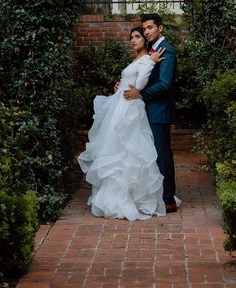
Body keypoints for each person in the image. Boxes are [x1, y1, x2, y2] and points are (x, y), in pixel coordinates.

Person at [77, 27, 167, 221]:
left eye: (137, 37)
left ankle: (131, 198)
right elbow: (129, 80)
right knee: (114, 150)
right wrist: (119, 85)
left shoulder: (146, 59)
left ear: (145, 40)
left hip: (130, 110)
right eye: (131, 38)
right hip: (120, 105)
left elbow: (141, 83)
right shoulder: (135, 59)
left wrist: (150, 63)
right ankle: (113, 196)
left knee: (129, 152)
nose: (133, 40)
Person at [124, 13, 179, 214]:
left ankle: (168, 199)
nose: (146, 32)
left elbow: (165, 84)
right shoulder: (154, 50)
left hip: (159, 111)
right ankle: (158, 195)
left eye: (150, 28)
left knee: (163, 155)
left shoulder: (167, 51)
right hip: (150, 110)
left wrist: (140, 94)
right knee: (154, 155)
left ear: (160, 28)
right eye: (144, 28)